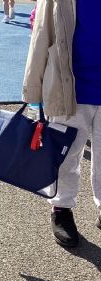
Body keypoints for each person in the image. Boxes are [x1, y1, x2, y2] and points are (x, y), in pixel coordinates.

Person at [22, 0, 101, 247]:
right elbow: (41, 35)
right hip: (70, 89)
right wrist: (33, 92)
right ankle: (61, 207)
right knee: (65, 157)